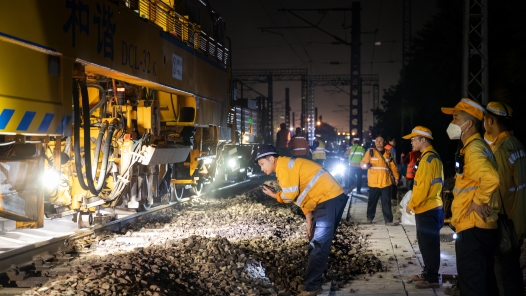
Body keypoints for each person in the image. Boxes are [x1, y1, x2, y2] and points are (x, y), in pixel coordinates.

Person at [256, 145, 347, 296]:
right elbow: (303, 196)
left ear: (271, 159)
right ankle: (314, 280)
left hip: (328, 199)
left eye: (262, 164)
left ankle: (311, 287)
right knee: (316, 241)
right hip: (325, 199)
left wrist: (275, 195)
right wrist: (309, 221)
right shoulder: (285, 166)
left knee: (318, 244)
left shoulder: (285, 168)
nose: (261, 168)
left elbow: (290, 195)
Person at [441, 98, 499, 296]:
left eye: (456, 118)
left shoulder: (474, 150)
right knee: (485, 283)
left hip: (473, 226)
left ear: (469, 124)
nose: (452, 123)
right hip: (478, 226)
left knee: (473, 285)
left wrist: (477, 202)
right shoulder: (476, 147)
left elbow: (491, 178)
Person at [483, 101, 526, 296]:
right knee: (513, 275)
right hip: (517, 222)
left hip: (503, 224)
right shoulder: (517, 145)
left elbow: (496, 190)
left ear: (490, 121)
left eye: (485, 120)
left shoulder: (500, 150)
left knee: (503, 277)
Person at [402, 126, 444, 289]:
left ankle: (432, 277)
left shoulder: (427, 160)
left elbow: (423, 188)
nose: (411, 142)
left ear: (423, 140)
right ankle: (428, 273)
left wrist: (411, 205)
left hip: (427, 208)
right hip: (430, 207)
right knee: (427, 244)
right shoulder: (429, 157)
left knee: (429, 245)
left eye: (414, 139)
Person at [360, 135, 400, 225]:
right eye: (377, 140)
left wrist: (396, 177)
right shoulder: (370, 152)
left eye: (380, 140)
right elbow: (362, 163)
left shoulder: (388, 153)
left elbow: (393, 166)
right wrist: (365, 165)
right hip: (373, 182)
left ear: (384, 142)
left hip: (386, 182)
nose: (378, 142)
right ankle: (369, 218)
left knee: (386, 202)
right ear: (375, 142)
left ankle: (388, 220)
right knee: (372, 201)